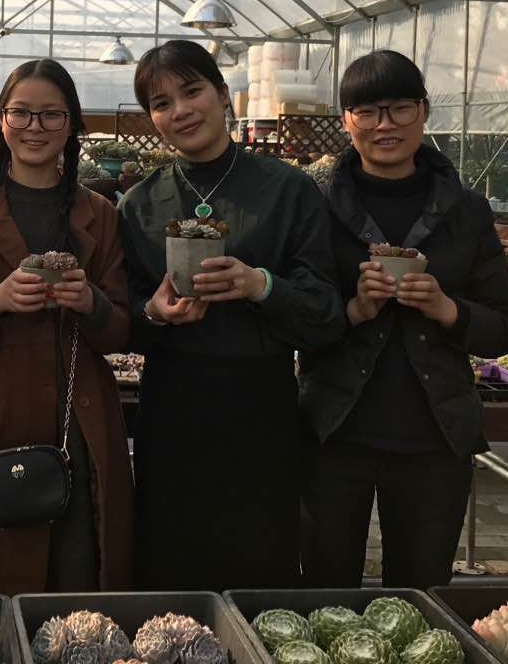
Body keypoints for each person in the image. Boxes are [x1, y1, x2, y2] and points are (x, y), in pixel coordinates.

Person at [117, 39, 344, 591]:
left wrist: (260, 285)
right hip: (173, 408)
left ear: (223, 95)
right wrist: (153, 312)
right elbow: (119, 315)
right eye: (161, 103)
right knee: (170, 566)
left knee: (256, 566)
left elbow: (325, 313)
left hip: (260, 407)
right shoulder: (139, 205)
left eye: (191, 91)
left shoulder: (286, 190)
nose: (181, 111)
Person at [300, 49, 508, 589]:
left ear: (423, 111)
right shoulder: (315, 206)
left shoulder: (466, 211)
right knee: (325, 589)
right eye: (367, 112)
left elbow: (502, 329)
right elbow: (294, 320)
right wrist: (354, 309)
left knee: (422, 593)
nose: (385, 125)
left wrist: (448, 309)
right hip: (335, 433)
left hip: (434, 438)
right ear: (346, 120)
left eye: (400, 108)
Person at [0, 59, 132, 594]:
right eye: (21, 113)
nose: (34, 127)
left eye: (51, 115)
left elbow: (120, 332)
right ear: (1, 119)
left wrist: (89, 302)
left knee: (76, 568)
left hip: (79, 415)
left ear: (72, 124)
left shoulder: (99, 212)